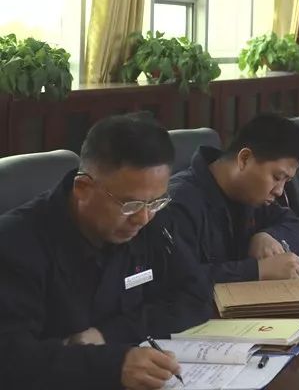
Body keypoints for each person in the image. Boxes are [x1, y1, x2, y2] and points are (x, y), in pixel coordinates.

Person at [0, 114, 211, 390]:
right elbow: (11, 358)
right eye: (130, 205)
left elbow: (196, 295)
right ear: (83, 188)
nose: (143, 218)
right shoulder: (16, 243)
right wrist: (112, 365)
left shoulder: (149, 217)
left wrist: (109, 333)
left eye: (156, 202)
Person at [165, 114, 299, 284]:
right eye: (277, 177)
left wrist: (269, 236)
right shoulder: (178, 203)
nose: (279, 191)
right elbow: (177, 279)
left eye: (287, 181)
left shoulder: (251, 194)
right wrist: (258, 270)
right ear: (244, 159)